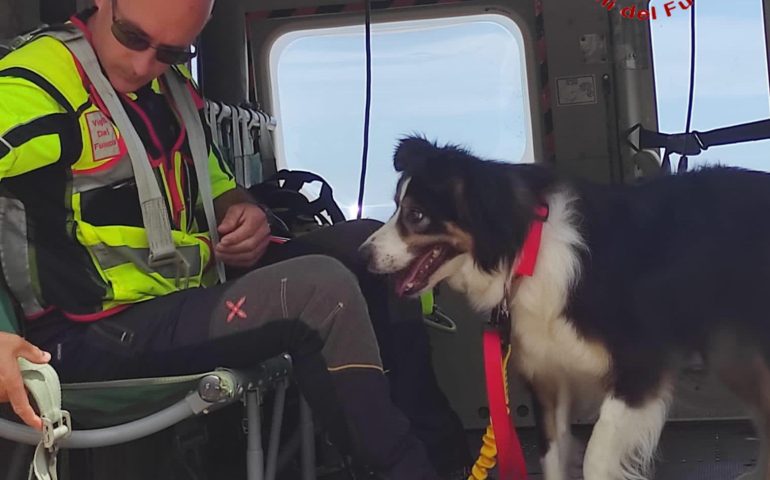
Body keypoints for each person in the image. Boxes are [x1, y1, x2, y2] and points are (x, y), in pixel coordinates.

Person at [0, 0, 470, 477]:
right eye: (133, 38)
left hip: (181, 302)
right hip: (89, 336)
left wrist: (244, 212)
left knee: (368, 250)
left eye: (170, 52)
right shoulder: (35, 85)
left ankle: (446, 460)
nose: (145, 65)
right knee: (316, 290)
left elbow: (218, 183)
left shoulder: (168, 90)